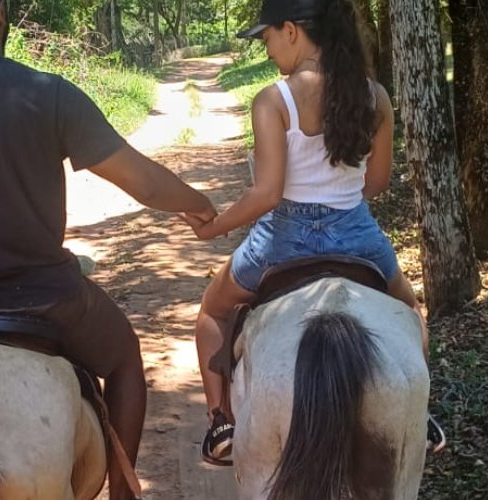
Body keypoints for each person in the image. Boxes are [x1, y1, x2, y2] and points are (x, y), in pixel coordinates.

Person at [0, 0, 216, 498]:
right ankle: (124, 491)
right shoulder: (47, 93)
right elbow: (144, 184)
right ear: (1, 13)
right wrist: (199, 205)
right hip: (49, 297)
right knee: (124, 361)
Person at [183, 0, 445, 465]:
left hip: (284, 238)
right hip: (357, 233)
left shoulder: (274, 99)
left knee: (213, 310)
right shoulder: (374, 96)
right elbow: (377, 183)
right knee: (410, 310)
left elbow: (266, 195)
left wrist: (213, 227)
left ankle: (221, 422)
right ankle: (418, 412)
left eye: (266, 38)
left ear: (291, 31)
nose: (267, 51)